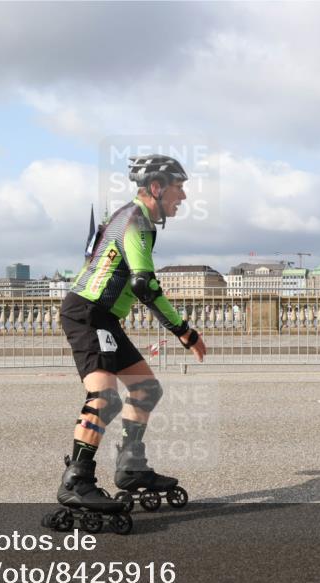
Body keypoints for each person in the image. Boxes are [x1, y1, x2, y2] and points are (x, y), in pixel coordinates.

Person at [54, 154, 208, 518]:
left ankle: (131, 466)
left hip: (103, 315)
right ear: (156, 188)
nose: (183, 197)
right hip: (89, 313)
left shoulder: (128, 216)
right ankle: (76, 480)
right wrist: (184, 332)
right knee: (104, 398)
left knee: (146, 390)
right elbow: (144, 284)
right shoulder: (135, 221)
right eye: (178, 188)